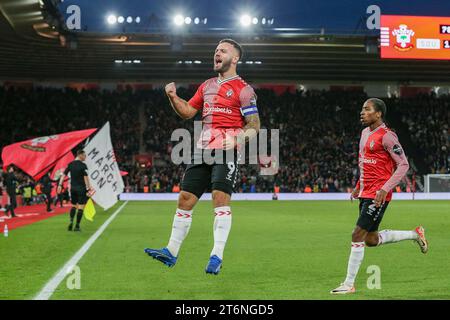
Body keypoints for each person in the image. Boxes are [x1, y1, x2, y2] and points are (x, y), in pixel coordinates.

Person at [145, 39, 261, 275]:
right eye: (216, 50)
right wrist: (173, 97)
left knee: (219, 198)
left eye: (223, 50)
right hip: (202, 148)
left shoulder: (244, 89)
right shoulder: (206, 85)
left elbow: (255, 125)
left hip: (227, 148)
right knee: (185, 198)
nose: (217, 53)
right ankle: (171, 251)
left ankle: (216, 255)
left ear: (235, 58)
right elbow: (188, 112)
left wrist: (237, 139)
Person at [331, 98, 428, 294]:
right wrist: (359, 185)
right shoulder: (364, 133)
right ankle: (415, 234)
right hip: (366, 193)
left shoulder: (388, 136)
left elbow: (404, 165)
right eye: (362, 109)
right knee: (371, 240)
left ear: (378, 114)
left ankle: (349, 284)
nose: (362, 112)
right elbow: (364, 163)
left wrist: (385, 189)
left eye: (367, 109)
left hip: (378, 195)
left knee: (356, 234)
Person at [57, 150, 91, 232]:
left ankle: (71, 222)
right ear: (80, 155)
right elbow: (86, 177)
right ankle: (77, 226)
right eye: (84, 155)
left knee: (73, 206)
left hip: (73, 188)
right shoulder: (83, 165)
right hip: (81, 188)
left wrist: (60, 185)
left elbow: (63, 175)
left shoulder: (70, 164)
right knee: (81, 207)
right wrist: (88, 188)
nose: (85, 157)